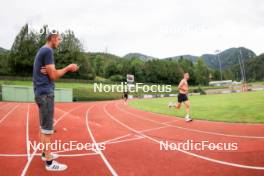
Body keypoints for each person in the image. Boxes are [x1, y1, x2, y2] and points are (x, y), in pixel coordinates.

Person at [33, 31, 79, 171]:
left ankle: (45, 154)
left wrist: (49, 72)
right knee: (47, 130)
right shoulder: (48, 51)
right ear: (52, 39)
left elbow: (47, 73)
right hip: (46, 94)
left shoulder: (42, 50)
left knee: (43, 128)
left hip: (40, 93)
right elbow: (53, 75)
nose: (59, 41)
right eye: (58, 39)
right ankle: (49, 163)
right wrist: (68, 68)